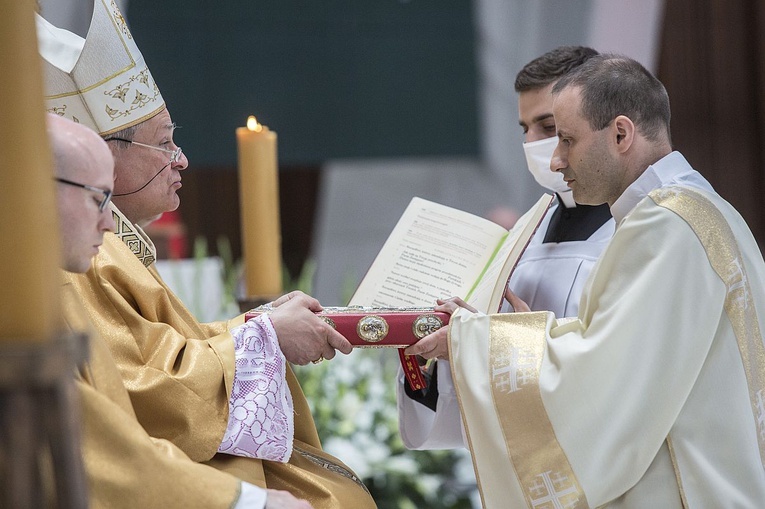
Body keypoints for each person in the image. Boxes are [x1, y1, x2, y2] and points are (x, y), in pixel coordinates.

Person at [38, 3, 376, 507]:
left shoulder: (105, 242)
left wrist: (260, 326)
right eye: (165, 143)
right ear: (103, 157)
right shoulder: (82, 256)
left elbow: (149, 357)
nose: (182, 160)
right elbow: (141, 395)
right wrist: (263, 336)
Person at [407, 55, 765, 507]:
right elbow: (614, 350)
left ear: (620, 134)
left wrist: (478, 340)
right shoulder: (701, 209)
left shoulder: (666, 227)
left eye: (567, 139)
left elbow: (605, 382)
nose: (555, 160)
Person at [50, 113, 312, 508]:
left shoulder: (56, 270)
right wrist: (243, 501)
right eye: (96, 198)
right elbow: (120, 417)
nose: (107, 223)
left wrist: (260, 326)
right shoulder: (62, 278)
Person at [397, 46, 615, 450]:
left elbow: (613, 375)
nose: (532, 143)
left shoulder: (636, 232)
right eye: (524, 129)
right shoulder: (523, 234)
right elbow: (461, 416)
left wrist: (484, 344)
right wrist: (426, 363)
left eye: (549, 128)